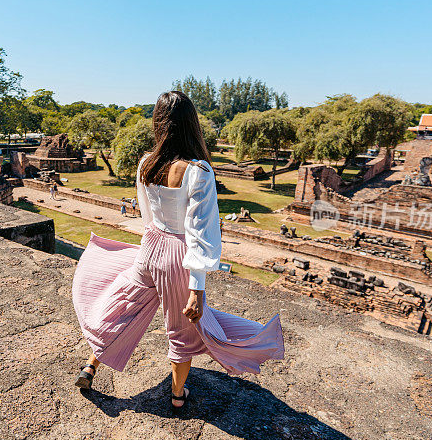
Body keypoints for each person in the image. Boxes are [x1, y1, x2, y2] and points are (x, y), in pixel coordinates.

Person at [72, 91, 284, 413]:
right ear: (191, 124)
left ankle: (90, 367)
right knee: (182, 329)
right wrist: (196, 287)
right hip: (178, 255)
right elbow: (199, 230)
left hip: (150, 246)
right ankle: (176, 394)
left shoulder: (146, 163)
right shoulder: (197, 170)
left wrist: (152, 244)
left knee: (125, 307)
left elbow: (146, 215)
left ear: (159, 122)